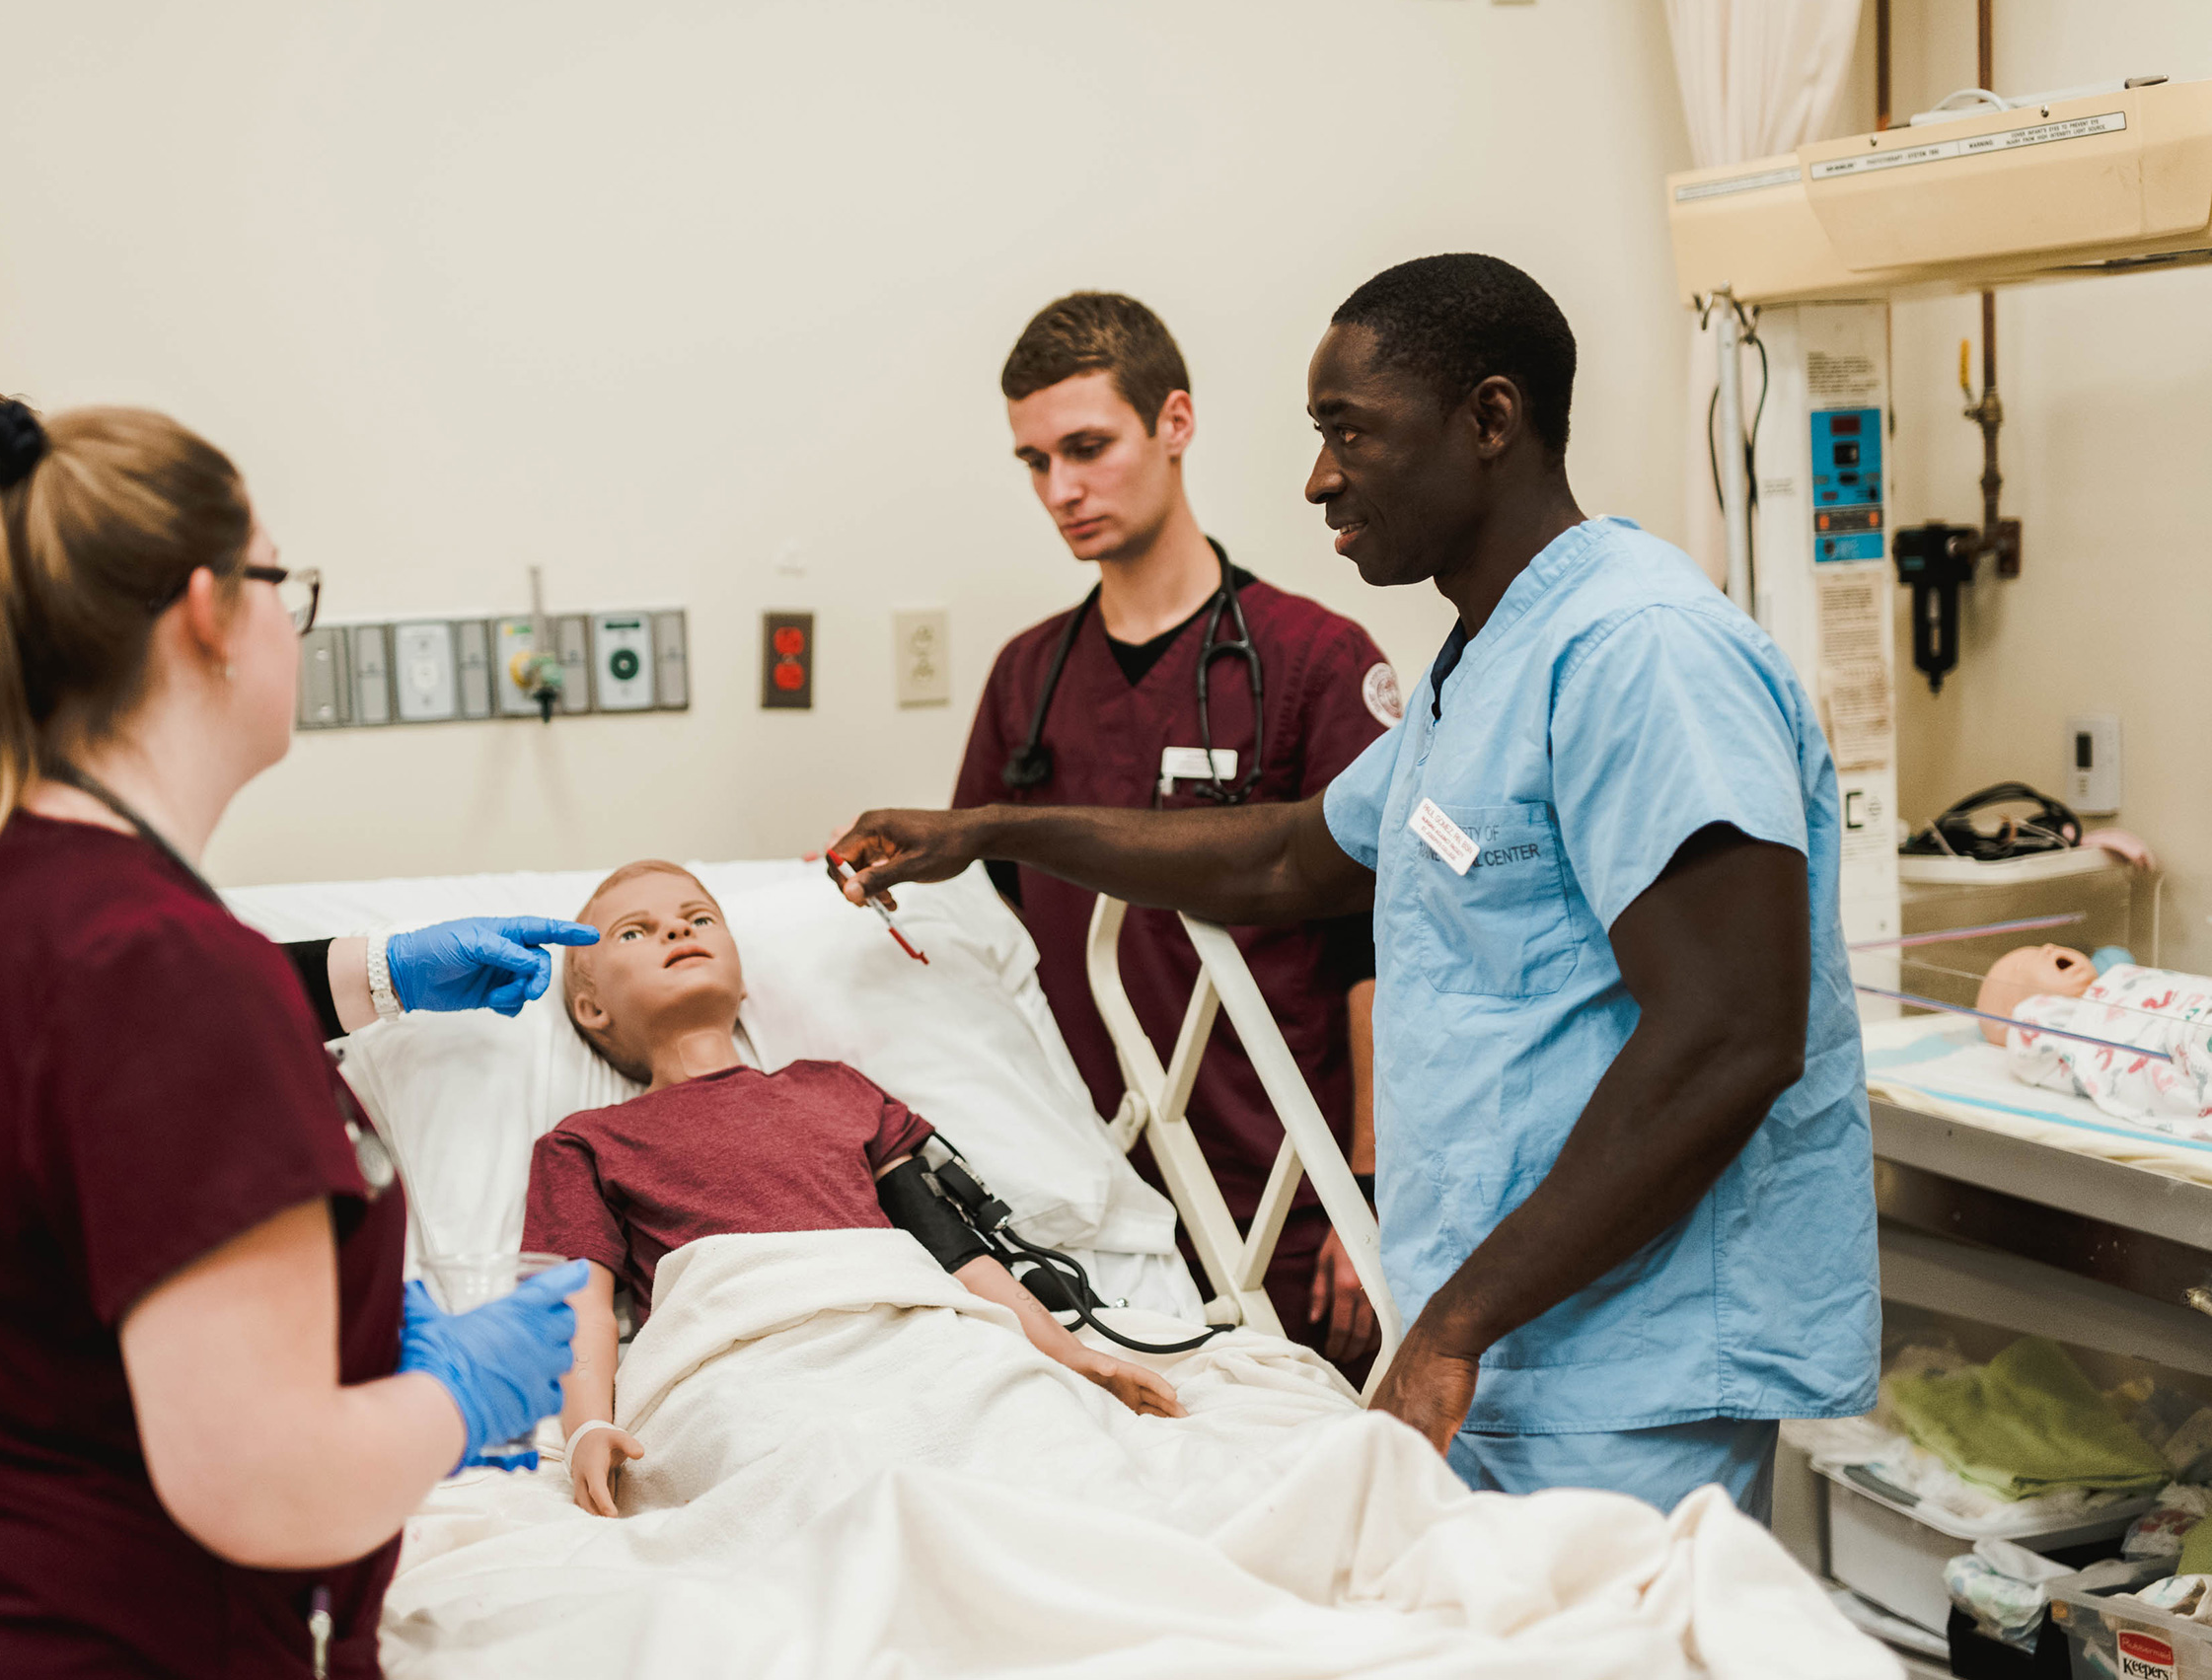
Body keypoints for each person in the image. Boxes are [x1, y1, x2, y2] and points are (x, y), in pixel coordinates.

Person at [832, 254, 1880, 1518]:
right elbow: (1284, 854)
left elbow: (1732, 1033)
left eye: (1349, 432)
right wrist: (992, 826)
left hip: (1618, 1360)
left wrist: (1450, 1322)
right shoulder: (1483, 665)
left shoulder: (1638, 653)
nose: (1319, 475)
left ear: (1489, 421)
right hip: (1508, 1340)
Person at [0, 375, 590, 1678]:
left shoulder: (2, 894)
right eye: (290, 585)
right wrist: (454, 1395)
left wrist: (372, 978)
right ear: (212, 612)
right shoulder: (108, 940)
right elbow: (258, 1476)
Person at [961, 293, 1394, 1368]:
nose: (1060, 489)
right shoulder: (1027, 679)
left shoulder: (1313, 662)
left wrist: (1373, 1196)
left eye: (1087, 448)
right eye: (1033, 462)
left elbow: (1391, 959)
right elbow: (979, 946)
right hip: (1083, 1208)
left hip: (1285, 1200)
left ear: (1175, 423)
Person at [526, 860, 1185, 1517]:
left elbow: (953, 1249)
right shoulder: (585, 1142)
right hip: (744, 1363)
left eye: (699, 919)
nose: (675, 929)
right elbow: (579, 1307)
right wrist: (587, 1425)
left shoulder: (834, 1086)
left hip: (912, 1336)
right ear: (591, 1007)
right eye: (635, 933)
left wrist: (1072, 1354)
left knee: (1044, 1451)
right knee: (814, 1480)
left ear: (743, 979)